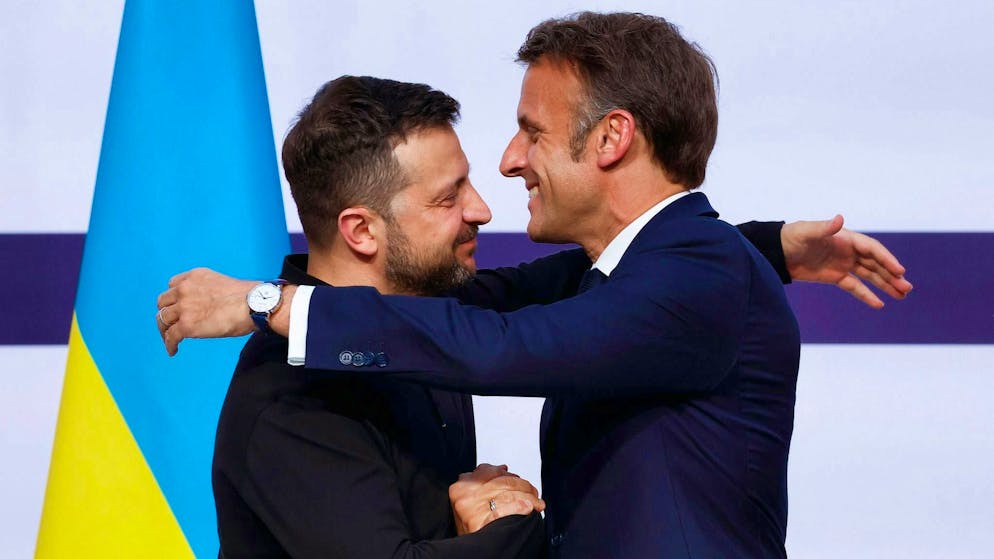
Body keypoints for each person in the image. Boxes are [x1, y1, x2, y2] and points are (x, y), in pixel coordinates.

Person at [158, 13, 913, 558]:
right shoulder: (663, 267)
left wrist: (267, 303)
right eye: (450, 194)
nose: (510, 162)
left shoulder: (695, 276)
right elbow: (489, 308)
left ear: (612, 138)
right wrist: (770, 245)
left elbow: (502, 343)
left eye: (533, 131)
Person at [211, 76, 553, 558]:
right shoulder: (291, 400)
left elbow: (556, 283)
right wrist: (514, 527)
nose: (482, 210)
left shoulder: (426, 314)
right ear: (362, 231)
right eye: (448, 197)